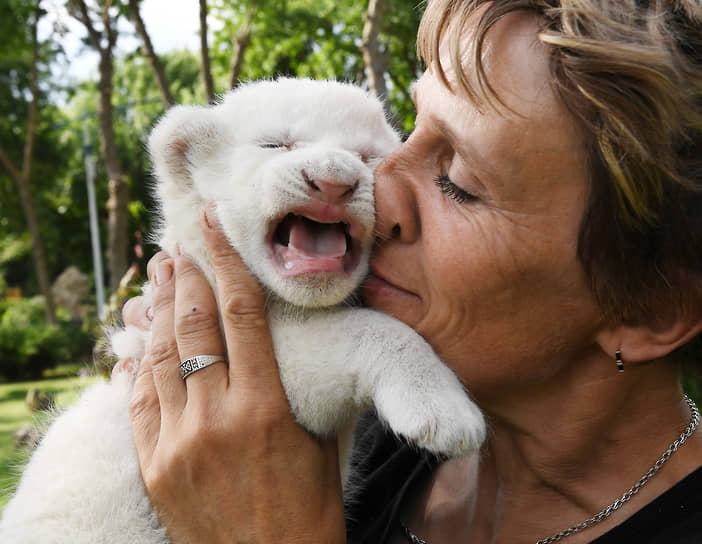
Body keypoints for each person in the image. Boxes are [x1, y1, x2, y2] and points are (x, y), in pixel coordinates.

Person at [120, 0, 702, 542]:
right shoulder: (369, 428)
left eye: (461, 183)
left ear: (651, 306)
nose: (377, 184)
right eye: (411, 128)